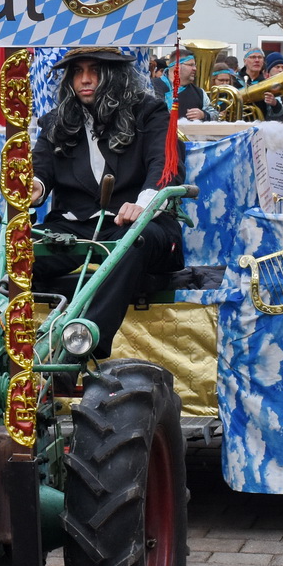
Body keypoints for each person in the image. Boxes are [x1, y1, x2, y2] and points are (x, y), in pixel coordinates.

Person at [29, 47, 182, 363]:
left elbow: (164, 165)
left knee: (132, 241)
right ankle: (10, 347)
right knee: (3, 255)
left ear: (115, 75)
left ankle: (82, 345)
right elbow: (40, 170)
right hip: (72, 228)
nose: (85, 79)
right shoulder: (55, 121)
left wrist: (143, 205)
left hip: (138, 226)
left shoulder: (150, 112)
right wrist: (34, 186)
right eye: (77, 71)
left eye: (95, 71)